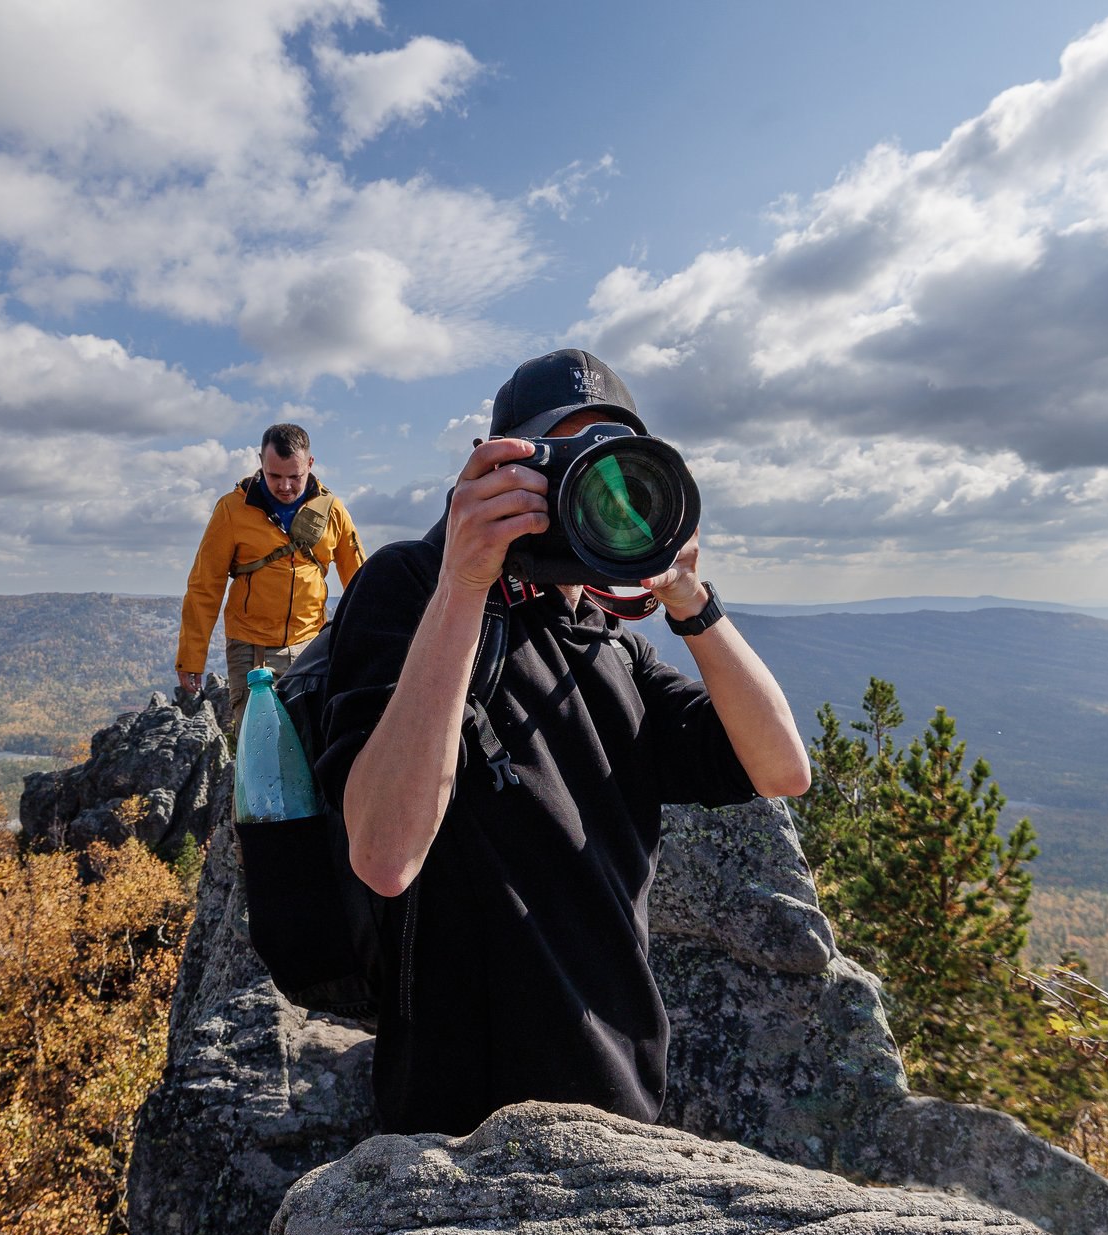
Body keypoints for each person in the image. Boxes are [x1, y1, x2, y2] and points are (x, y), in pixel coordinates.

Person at [312, 349, 811, 1137]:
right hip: (456, 1122)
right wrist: (465, 580)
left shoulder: (612, 646)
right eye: (562, 461)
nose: (592, 490)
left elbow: (782, 767)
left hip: (623, 1101)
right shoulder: (413, 589)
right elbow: (384, 854)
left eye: (616, 471)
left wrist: (688, 597)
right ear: (500, 468)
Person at [175, 423, 364, 724]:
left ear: (310, 464)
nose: (285, 486)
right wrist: (191, 657)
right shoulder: (233, 510)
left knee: (312, 740)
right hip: (251, 650)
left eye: (295, 477)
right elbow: (205, 585)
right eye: (275, 476)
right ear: (261, 462)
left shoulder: (332, 511)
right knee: (258, 741)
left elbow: (360, 581)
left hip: (311, 647)